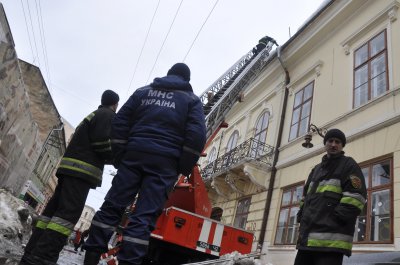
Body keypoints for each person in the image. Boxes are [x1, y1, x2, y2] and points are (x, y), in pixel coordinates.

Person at [83, 63, 206, 265]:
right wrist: (181, 166)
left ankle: (91, 257)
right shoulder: (191, 101)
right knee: (144, 215)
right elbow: (196, 136)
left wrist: (120, 155)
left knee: (112, 207)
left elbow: (120, 122)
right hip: (165, 164)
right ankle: (129, 261)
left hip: (133, 156)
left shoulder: (142, 92)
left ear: (168, 75)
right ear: (187, 80)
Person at [19, 90, 120, 265]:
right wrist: (116, 157)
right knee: (65, 218)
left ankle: (32, 252)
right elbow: (102, 142)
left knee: (50, 215)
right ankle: (43, 257)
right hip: (82, 173)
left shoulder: (93, 115)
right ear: (115, 104)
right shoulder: (107, 115)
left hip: (69, 170)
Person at [294, 129, 367, 265]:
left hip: (331, 244)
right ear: (325, 144)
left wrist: (334, 219)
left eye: (337, 142)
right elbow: (305, 197)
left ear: (342, 145)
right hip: (307, 241)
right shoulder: (316, 170)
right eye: (330, 141)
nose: (333, 144)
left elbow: (357, 197)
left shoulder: (349, 165)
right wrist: (301, 216)